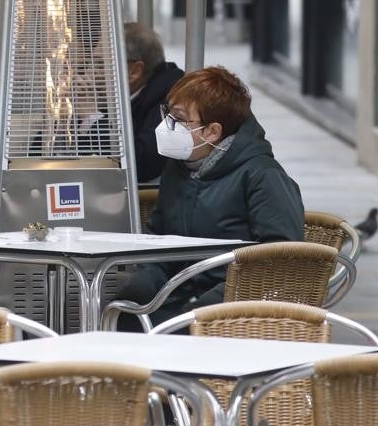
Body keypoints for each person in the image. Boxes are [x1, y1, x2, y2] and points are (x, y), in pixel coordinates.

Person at [115, 66, 305, 327]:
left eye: (178, 119)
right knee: (119, 316)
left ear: (212, 132)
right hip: (174, 296)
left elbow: (281, 259)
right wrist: (140, 289)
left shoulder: (262, 176)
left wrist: (208, 304)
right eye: (167, 112)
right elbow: (158, 240)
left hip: (234, 310)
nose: (166, 125)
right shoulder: (179, 166)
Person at [123, 23, 185, 184]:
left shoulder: (171, 96)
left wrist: (93, 116)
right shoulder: (123, 90)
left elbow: (141, 165)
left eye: (102, 65)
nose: (92, 71)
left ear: (135, 71)